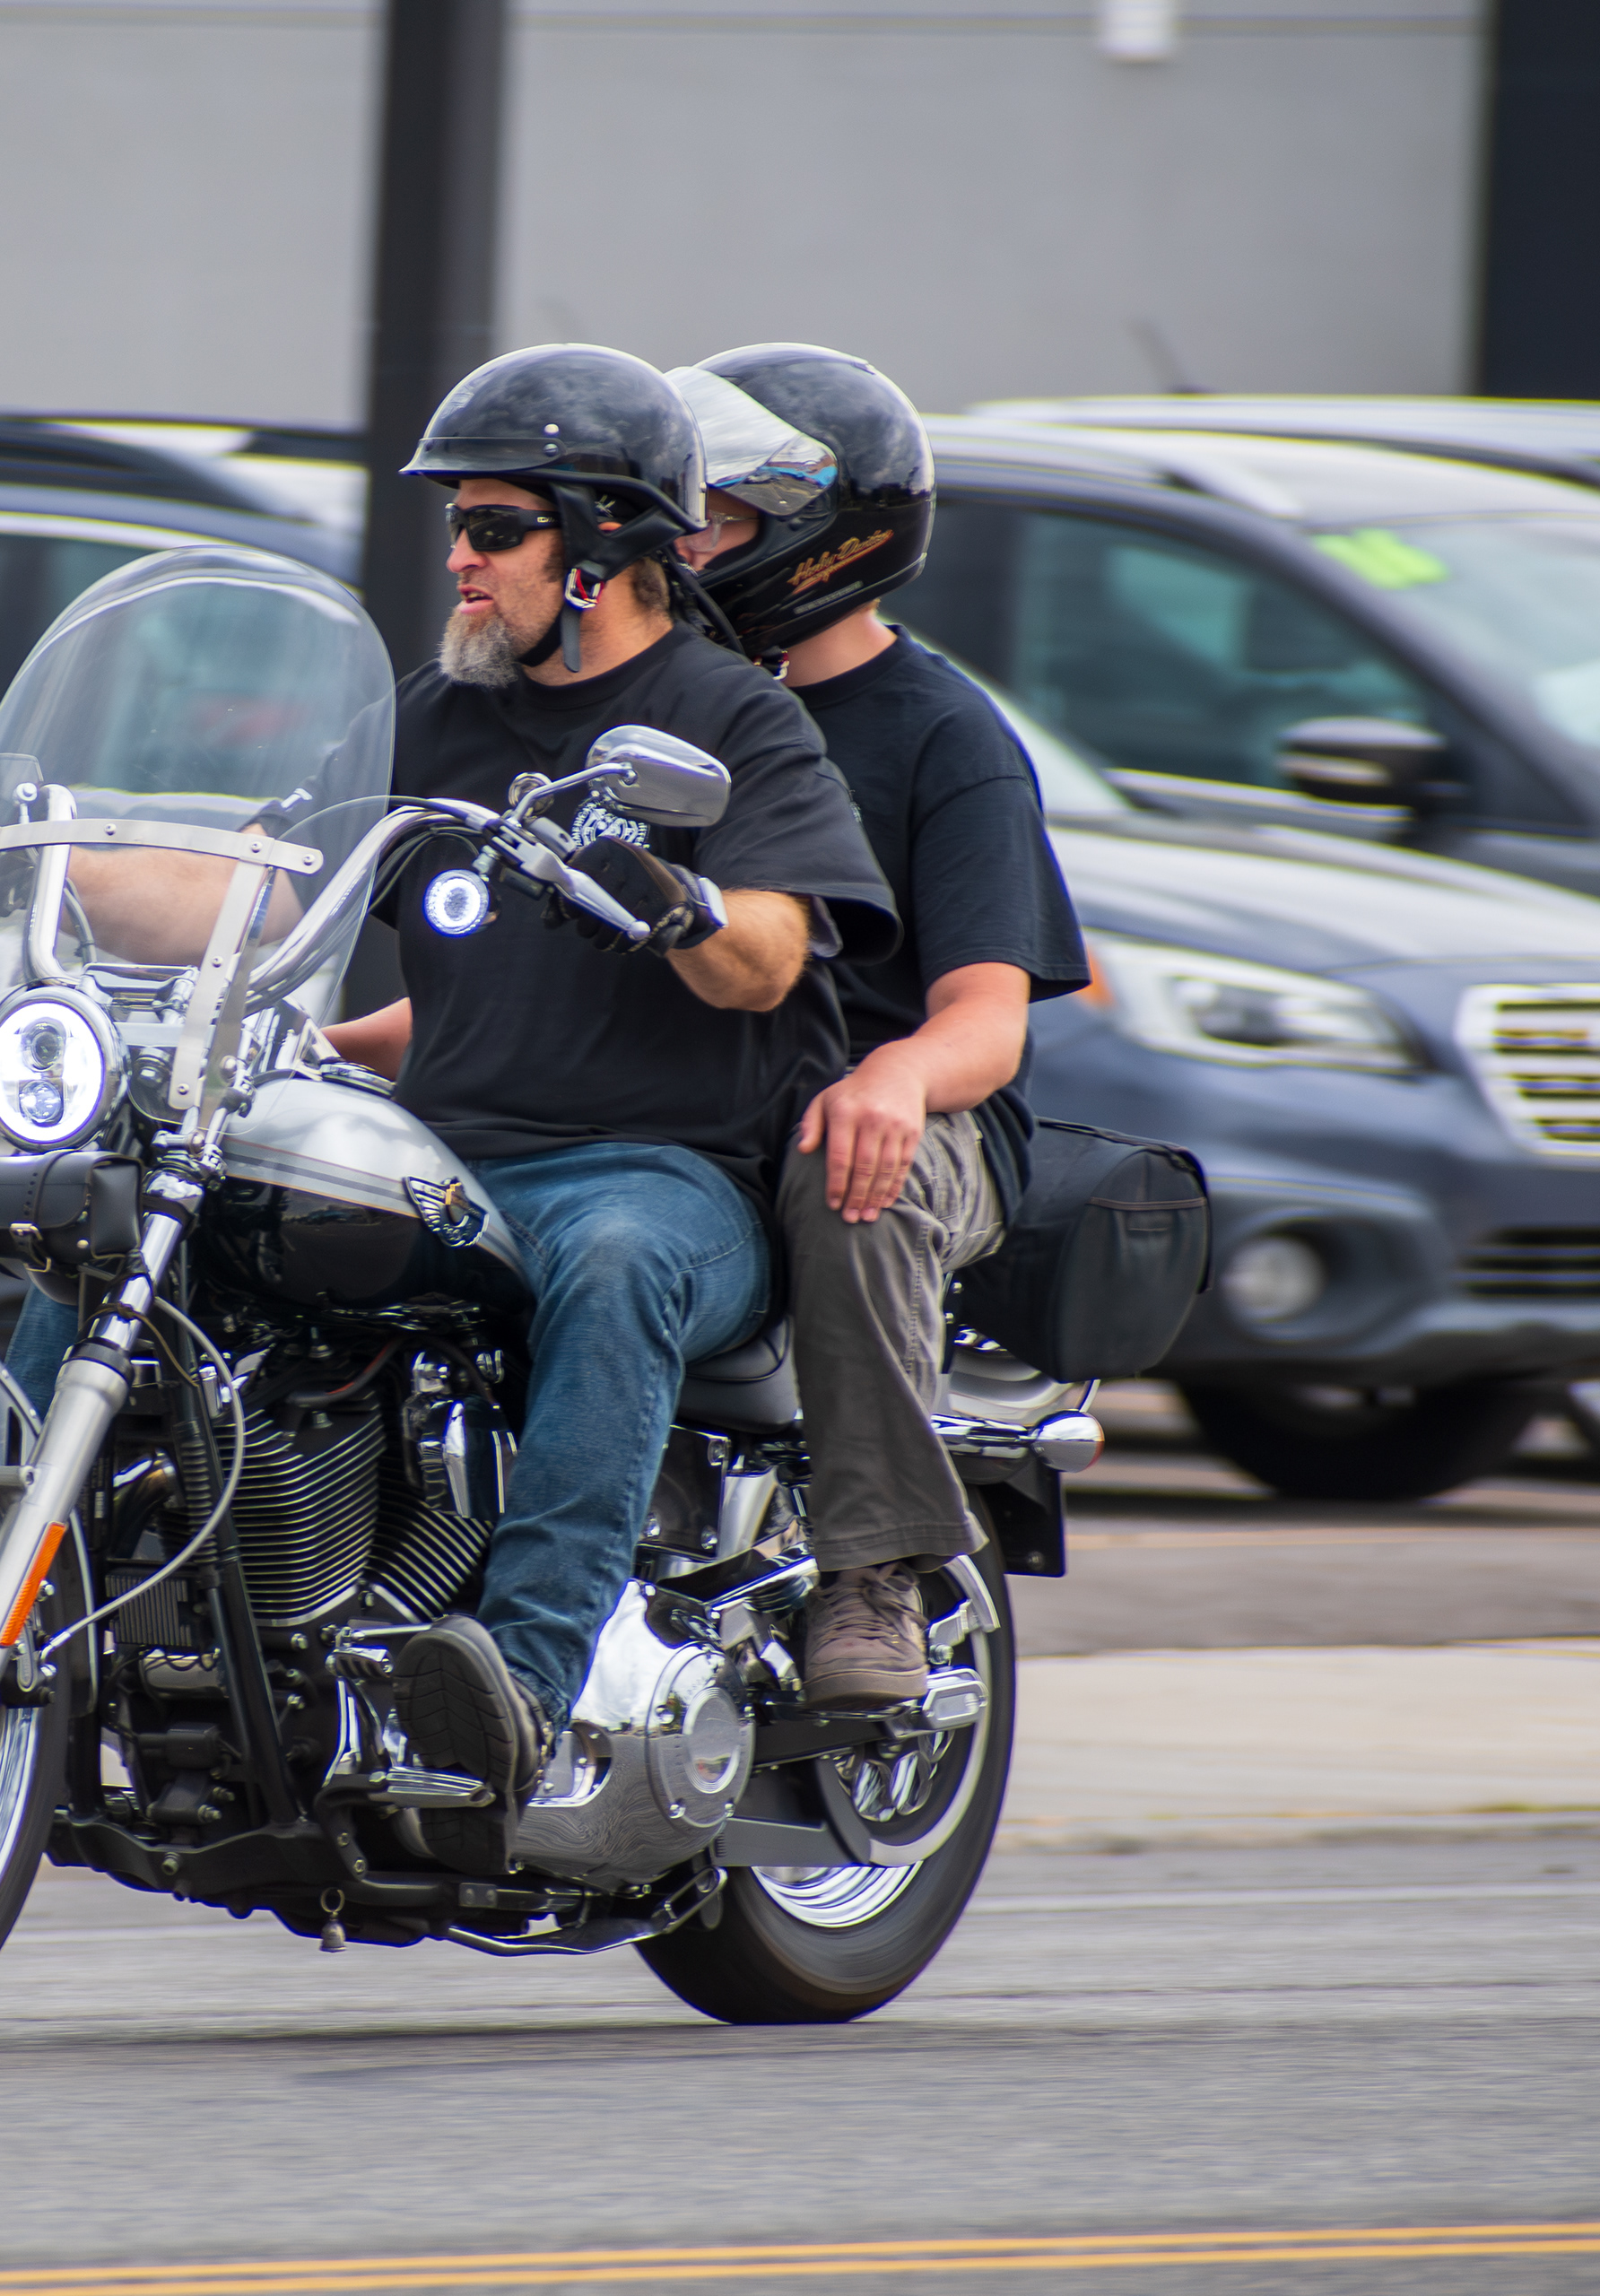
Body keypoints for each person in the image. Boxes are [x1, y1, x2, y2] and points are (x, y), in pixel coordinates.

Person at [314, 344, 899, 1870]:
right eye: (458, 526)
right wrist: (47, 839)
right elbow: (262, 874)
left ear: (603, 547)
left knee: (616, 1259)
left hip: (660, 1177)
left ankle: (512, 1685)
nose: (459, 557)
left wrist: (662, 887)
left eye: (494, 528)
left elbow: (771, 963)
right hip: (440, 1161)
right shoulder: (435, 718)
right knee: (164, 1204)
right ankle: (26, 1585)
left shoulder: (735, 724)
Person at [665, 344, 1089, 1709]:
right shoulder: (661, 708)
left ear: (813, 532)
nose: (678, 545)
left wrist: (898, 1077)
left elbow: (986, 1018)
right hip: (698, 1090)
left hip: (908, 1119)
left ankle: (878, 1571)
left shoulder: (940, 734)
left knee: (850, 1171)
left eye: (712, 518)